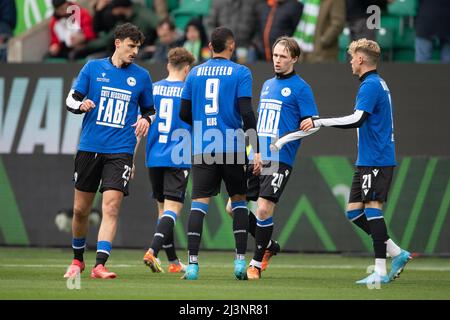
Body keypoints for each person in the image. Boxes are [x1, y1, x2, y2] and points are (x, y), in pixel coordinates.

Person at [300, 38, 412, 284]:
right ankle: (397, 253)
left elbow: (357, 119)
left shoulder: (371, 85)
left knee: (373, 209)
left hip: (377, 159)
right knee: (354, 212)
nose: (350, 61)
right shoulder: (375, 84)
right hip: (368, 160)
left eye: (352, 57)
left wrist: (319, 121)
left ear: (361, 59)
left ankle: (380, 271)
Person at [63, 23, 155, 279]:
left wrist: (147, 120)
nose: (135, 51)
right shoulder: (93, 68)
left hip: (121, 150)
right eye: (131, 46)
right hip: (90, 148)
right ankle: (78, 259)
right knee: (81, 210)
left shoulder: (142, 76)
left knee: (111, 207)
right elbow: (71, 99)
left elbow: (150, 110)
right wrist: (82, 105)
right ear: (117, 43)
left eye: (138, 47)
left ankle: (100, 265)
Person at [179, 27, 262, 280]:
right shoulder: (241, 72)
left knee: (198, 206)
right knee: (238, 202)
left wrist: (204, 122)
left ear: (209, 46)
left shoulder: (194, 73)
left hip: (203, 146)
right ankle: (239, 263)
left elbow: (184, 113)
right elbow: (246, 112)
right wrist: (256, 149)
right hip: (233, 146)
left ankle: (192, 265)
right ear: (231, 46)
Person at [244, 36, 319, 280]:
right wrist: (254, 150)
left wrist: (304, 127)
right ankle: (269, 245)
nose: (277, 60)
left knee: (264, 209)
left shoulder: (301, 88)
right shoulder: (267, 84)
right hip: (257, 156)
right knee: (232, 208)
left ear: (294, 58)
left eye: (283, 56)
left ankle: (255, 264)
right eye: (275, 55)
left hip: (280, 158)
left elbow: (312, 123)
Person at [142, 47, 195, 273]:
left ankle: (173, 262)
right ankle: (152, 251)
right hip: (178, 156)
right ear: (187, 69)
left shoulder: (153, 89)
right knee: (173, 210)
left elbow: (141, 125)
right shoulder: (188, 92)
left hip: (154, 155)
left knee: (163, 212)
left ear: (167, 66)